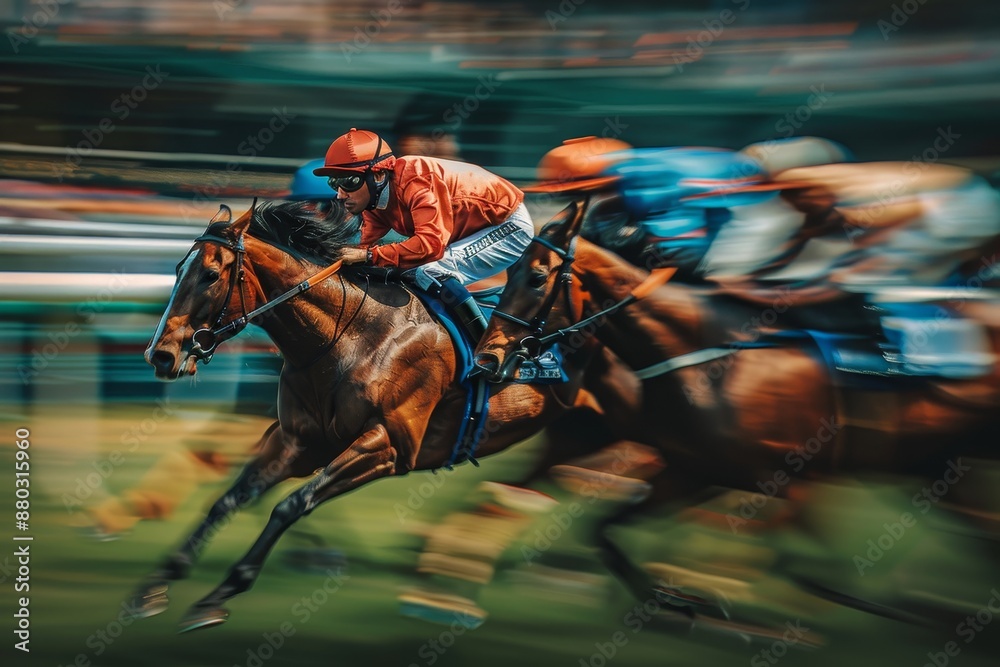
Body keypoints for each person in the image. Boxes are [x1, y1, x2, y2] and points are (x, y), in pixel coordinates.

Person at [313, 128, 533, 339]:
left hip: (507, 223)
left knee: (432, 271)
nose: (340, 195)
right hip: (468, 228)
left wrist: (370, 255)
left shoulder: (417, 179)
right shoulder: (374, 202)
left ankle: (487, 346)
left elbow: (430, 245)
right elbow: (358, 248)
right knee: (407, 269)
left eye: (349, 182)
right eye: (334, 183)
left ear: (378, 175)